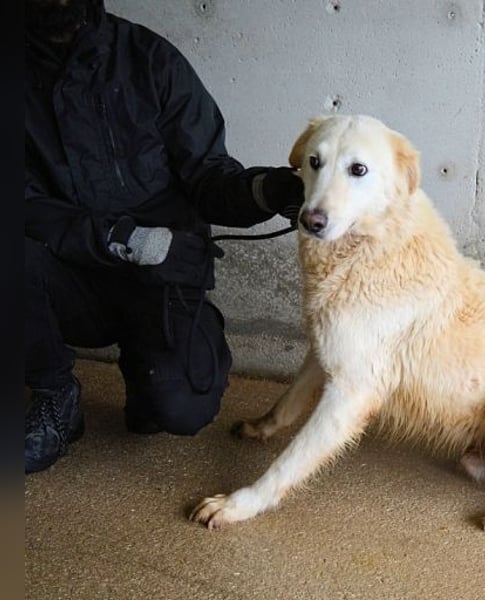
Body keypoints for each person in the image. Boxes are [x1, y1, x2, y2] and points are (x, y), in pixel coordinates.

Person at [25, 0, 304, 473]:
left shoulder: (150, 59)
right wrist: (129, 239)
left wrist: (267, 190)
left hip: (161, 278)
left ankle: (149, 368)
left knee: (181, 407)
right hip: (65, 280)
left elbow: (209, 176)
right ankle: (56, 396)